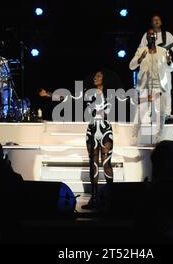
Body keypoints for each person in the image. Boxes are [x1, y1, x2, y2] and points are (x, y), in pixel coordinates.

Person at [40, 68, 123, 209]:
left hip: (105, 131)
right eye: (95, 76)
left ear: (104, 79)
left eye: (98, 76)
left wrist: (147, 99)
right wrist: (48, 94)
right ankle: (94, 198)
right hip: (91, 130)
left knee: (107, 163)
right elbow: (69, 97)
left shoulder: (111, 94)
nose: (95, 78)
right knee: (93, 163)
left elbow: (128, 100)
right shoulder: (87, 93)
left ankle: (111, 196)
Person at [130, 28, 173, 144]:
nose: (151, 36)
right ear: (146, 38)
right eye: (149, 35)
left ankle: (158, 138)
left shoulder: (162, 51)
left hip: (159, 86)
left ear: (156, 37)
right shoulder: (141, 50)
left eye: (153, 35)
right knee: (141, 112)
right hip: (145, 86)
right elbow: (131, 66)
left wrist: (169, 62)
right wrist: (140, 59)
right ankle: (134, 137)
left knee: (161, 113)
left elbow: (171, 68)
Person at [139, 14, 173, 117]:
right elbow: (141, 50)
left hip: (164, 66)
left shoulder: (167, 34)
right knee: (149, 89)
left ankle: (167, 113)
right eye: (154, 20)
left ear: (161, 22)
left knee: (166, 89)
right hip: (151, 66)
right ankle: (148, 113)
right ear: (151, 23)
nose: (157, 21)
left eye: (158, 19)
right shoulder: (147, 35)